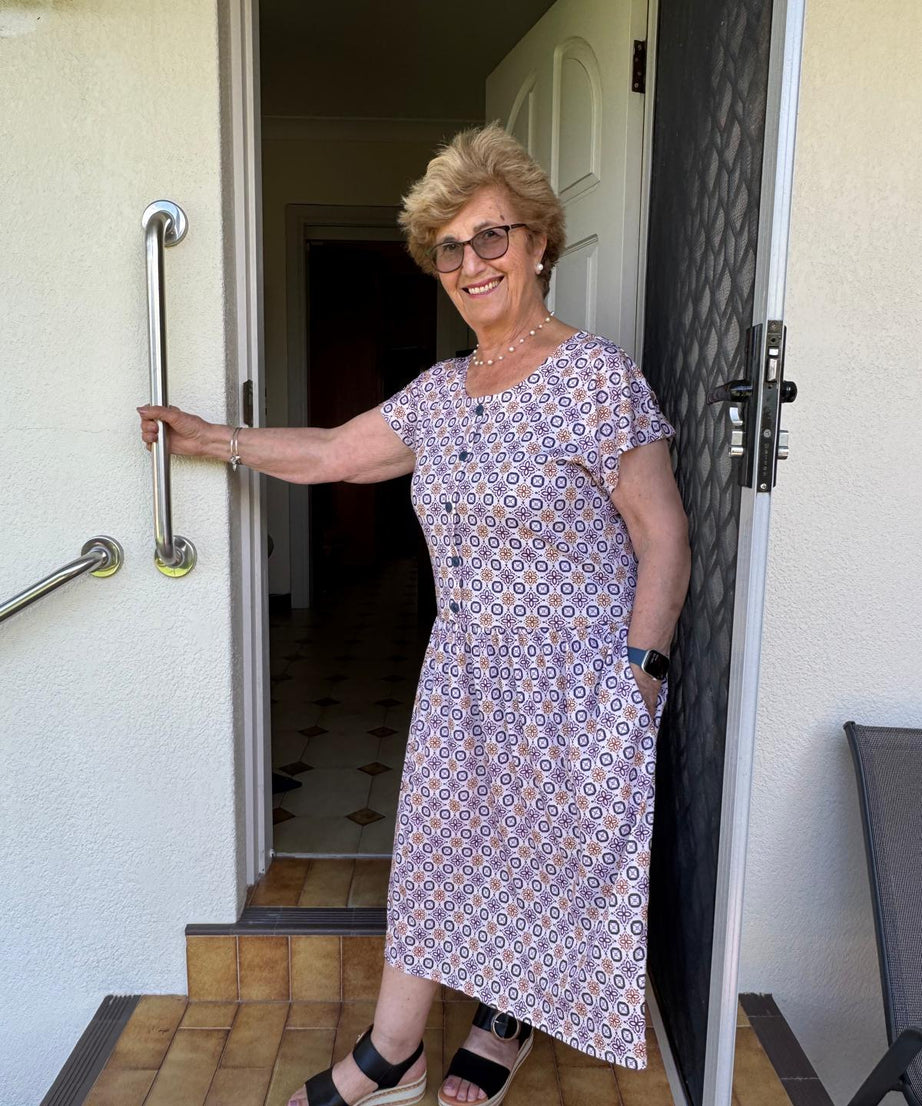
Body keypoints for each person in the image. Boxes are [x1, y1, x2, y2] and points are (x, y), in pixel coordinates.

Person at [138, 123, 690, 1106]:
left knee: (549, 856)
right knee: (440, 852)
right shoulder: (440, 393)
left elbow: (663, 537)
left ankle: (500, 1019)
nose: (469, 263)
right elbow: (331, 453)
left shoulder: (595, 377)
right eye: (449, 247)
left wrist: (638, 679)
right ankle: (393, 1051)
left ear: (538, 244)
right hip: (464, 669)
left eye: (490, 237)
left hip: (575, 674)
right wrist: (207, 438)